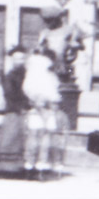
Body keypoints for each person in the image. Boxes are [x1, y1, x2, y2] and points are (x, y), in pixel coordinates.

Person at [24, 45, 64, 179]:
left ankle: (31, 165)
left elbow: (28, 90)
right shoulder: (49, 75)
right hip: (46, 107)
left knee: (34, 136)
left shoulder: (32, 72)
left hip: (37, 106)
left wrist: (36, 102)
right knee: (44, 136)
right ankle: (41, 164)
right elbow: (54, 93)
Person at [0, 46, 31, 178]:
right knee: (10, 138)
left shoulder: (28, 73)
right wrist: (24, 103)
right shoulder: (11, 76)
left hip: (24, 110)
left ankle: (19, 167)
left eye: (22, 58)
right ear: (13, 60)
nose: (20, 61)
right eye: (17, 58)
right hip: (14, 109)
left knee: (20, 139)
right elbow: (10, 94)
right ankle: (5, 168)